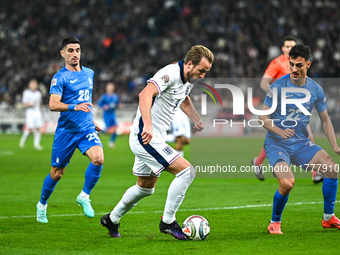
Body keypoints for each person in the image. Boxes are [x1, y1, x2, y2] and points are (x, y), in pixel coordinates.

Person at [100, 45, 214, 239]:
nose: (203, 75)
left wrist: (196, 118)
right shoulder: (170, 73)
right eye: (201, 70)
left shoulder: (189, 78)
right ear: (189, 64)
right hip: (147, 137)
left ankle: (112, 219)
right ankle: (168, 222)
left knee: (145, 188)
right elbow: (145, 94)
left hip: (153, 137)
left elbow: (183, 98)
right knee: (187, 171)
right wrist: (148, 126)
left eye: (206, 72)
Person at [259, 44, 340, 234]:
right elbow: (262, 118)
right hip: (276, 143)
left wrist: (335, 146)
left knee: (333, 170)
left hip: (301, 144)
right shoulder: (277, 86)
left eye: (299, 65)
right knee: (287, 183)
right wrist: (280, 132)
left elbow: (325, 120)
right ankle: (274, 222)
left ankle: (328, 218)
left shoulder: (316, 89)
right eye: (292, 65)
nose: (294, 69)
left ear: (308, 65)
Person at [36, 36, 104, 223]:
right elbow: (53, 104)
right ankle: (42, 205)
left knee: (98, 158)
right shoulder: (60, 77)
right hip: (66, 132)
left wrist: (91, 120)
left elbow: (86, 102)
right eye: (71, 50)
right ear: (63, 53)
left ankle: (84, 196)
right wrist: (74, 107)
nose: (75, 54)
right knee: (57, 173)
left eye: (78, 50)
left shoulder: (89, 73)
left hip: (85, 129)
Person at [251, 36, 323, 183]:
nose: (289, 48)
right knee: (287, 136)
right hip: (281, 107)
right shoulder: (277, 63)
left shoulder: (298, 63)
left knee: (291, 136)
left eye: (292, 46)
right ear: (283, 48)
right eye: (287, 46)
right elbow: (264, 82)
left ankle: (258, 162)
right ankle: (316, 172)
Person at [19, 79, 44, 150]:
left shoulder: (38, 93)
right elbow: (24, 104)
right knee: (30, 129)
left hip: (37, 112)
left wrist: (42, 113)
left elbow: (40, 104)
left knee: (38, 128)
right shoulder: (26, 93)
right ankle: (23, 140)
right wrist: (31, 104)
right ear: (29, 85)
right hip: (30, 112)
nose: (33, 86)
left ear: (37, 85)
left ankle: (36, 144)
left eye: (35, 84)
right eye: (32, 84)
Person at [97, 82, 121, 148]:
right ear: (106, 88)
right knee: (108, 129)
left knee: (115, 128)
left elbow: (118, 103)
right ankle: (97, 133)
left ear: (113, 88)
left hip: (113, 114)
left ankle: (111, 142)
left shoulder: (115, 96)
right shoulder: (104, 96)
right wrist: (104, 106)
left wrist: (119, 105)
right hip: (106, 114)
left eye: (111, 87)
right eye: (109, 87)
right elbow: (99, 103)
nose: (110, 89)